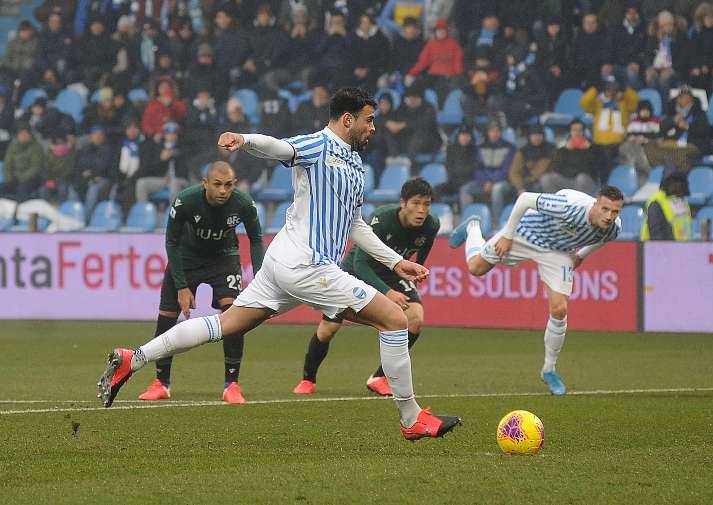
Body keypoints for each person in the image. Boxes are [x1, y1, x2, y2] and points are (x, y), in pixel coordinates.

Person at [97, 87, 460, 441]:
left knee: (227, 324)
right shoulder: (318, 145)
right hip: (307, 264)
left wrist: (396, 263)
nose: (373, 127)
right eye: (369, 120)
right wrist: (244, 139)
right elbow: (280, 147)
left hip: (285, 263)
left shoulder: (355, 164)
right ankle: (411, 418)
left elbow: (355, 224)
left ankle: (135, 357)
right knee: (396, 319)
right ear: (348, 119)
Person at [449, 186, 625, 395]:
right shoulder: (568, 208)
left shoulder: (613, 228)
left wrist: (581, 255)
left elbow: (601, 239)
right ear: (595, 204)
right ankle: (473, 226)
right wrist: (507, 234)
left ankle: (549, 370)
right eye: (605, 209)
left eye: (615, 212)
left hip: (558, 251)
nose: (609, 216)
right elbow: (524, 199)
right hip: (526, 233)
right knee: (476, 268)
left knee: (559, 310)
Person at [292, 178, 439, 396]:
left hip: (391, 273)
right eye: (416, 203)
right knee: (328, 329)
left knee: (415, 318)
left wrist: (419, 269)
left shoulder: (431, 225)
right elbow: (361, 263)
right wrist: (388, 293)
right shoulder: (382, 221)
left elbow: (424, 248)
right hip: (355, 270)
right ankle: (308, 379)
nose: (421, 210)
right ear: (403, 203)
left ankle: (379, 377)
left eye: (426, 204)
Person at [137, 161, 265, 404]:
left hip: (224, 258)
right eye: (217, 185)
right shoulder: (185, 201)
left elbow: (256, 239)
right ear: (205, 183)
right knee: (167, 316)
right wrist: (182, 286)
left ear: (234, 185)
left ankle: (232, 384)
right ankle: (161, 383)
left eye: (228, 185)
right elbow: (172, 242)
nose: (223, 191)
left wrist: (260, 278)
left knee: (233, 316)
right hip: (187, 257)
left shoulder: (244, 204)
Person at [640, 170, 691, 241]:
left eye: (680, 181)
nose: (679, 185)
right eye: (675, 181)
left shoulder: (683, 201)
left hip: (684, 248)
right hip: (663, 249)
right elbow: (657, 236)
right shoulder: (656, 202)